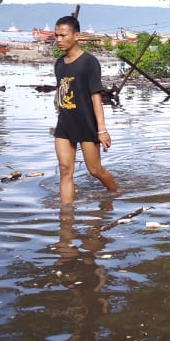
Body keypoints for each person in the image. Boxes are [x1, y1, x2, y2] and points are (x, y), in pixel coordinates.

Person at [53, 15, 118, 203]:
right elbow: (62, 92)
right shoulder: (59, 64)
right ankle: (66, 218)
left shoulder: (89, 62)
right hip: (65, 124)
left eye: (63, 35)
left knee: (94, 170)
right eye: (56, 35)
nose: (59, 40)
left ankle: (115, 194)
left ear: (76, 36)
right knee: (65, 170)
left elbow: (95, 97)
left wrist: (102, 130)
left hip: (86, 124)